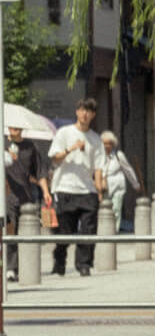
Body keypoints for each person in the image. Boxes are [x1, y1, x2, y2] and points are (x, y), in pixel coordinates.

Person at [48, 98, 104, 277]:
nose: (85, 114)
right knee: (64, 232)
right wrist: (70, 149)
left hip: (87, 190)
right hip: (65, 187)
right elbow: (54, 158)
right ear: (76, 112)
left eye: (89, 111)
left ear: (93, 115)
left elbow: (98, 167)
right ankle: (59, 260)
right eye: (82, 109)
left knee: (88, 230)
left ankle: (84, 264)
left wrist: (99, 191)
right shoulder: (64, 133)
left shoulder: (96, 139)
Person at [4, 121, 51, 280]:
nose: (14, 127)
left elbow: (40, 171)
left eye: (17, 125)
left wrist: (45, 191)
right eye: (11, 125)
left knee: (22, 234)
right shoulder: (3, 143)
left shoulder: (31, 147)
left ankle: (20, 267)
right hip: (6, 197)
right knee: (9, 232)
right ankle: (10, 267)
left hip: (25, 197)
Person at [98, 131, 142, 233]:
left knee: (116, 209)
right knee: (104, 209)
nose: (106, 146)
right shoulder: (99, 155)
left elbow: (128, 170)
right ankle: (105, 230)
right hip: (104, 186)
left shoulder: (119, 155)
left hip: (118, 186)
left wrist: (135, 184)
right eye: (104, 143)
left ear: (113, 144)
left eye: (109, 143)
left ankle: (114, 230)